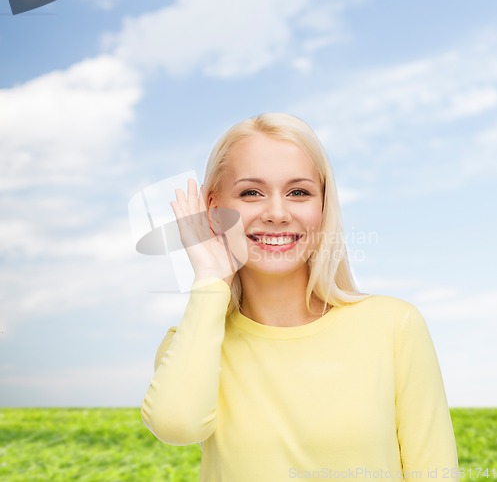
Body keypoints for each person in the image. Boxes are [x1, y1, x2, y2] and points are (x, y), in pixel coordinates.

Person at [140, 113, 460, 481]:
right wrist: (211, 280)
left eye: (299, 192)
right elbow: (176, 426)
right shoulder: (192, 343)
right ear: (213, 209)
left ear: (323, 206)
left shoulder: (393, 326)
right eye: (250, 192)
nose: (277, 213)